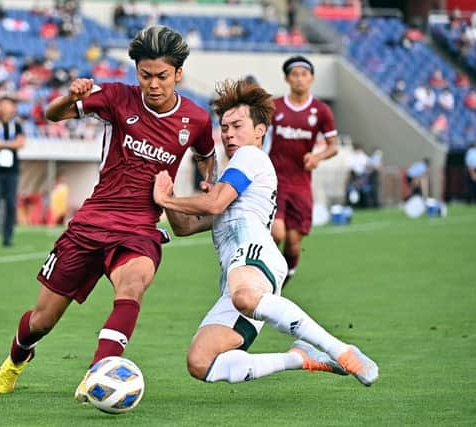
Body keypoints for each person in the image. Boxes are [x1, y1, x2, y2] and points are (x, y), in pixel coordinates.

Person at [0, 26, 216, 398]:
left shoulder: (196, 118)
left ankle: (99, 373)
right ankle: (15, 360)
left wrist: (208, 182)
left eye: (162, 76)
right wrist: (71, 96)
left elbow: (206, 156)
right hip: (91, 223)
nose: (153, 84)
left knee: (133, 285)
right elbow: (52, 116)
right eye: (145, 76)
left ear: (178, 74)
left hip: (140, 228)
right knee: (42, 320)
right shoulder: (115, 97)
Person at [153, 79, 378, 388]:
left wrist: (168, 200)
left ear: (259, 130)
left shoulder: (250, 156)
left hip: (256, 258)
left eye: (237, 125)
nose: (229, 133)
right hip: (236, 277)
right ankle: (300, 357)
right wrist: (168, 191)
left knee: (245, 296)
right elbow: (185, 226)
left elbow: (215, 204)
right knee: (200, 361)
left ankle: (342, 351)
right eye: (225, 126)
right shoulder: (231, 177)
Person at [268, 56, 339, 286]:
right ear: (287, 79)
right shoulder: (274, 108)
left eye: (304, 75)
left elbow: (333, 146)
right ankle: (264, 280)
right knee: (276, 233)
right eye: (295, 75)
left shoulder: (321, 111)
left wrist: (317, 156)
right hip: (274, 181)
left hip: (300, 183)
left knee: (293, 242)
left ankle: (283, 280)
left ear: (312, 78)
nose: (299, 79)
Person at [0, 93, 25, 247]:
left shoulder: (17, 125)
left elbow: (21, 143)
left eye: (8, 105)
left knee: (10, 205)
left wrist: (2, 144)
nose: (5, 108)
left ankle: (8, 237)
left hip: (12, 171)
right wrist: (10, 144)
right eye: (2, 105)